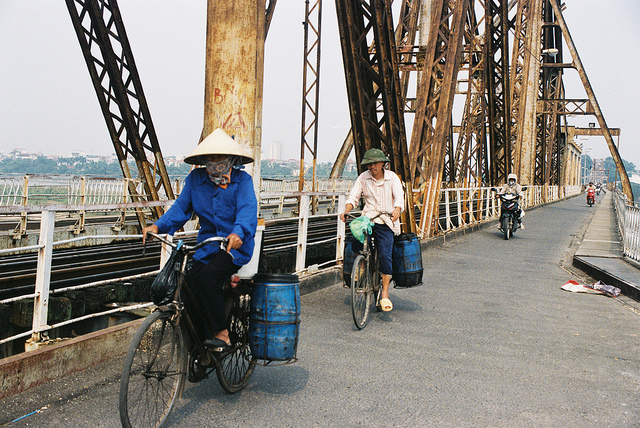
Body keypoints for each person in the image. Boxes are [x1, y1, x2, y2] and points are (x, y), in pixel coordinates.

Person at [142, 128, 257, 350]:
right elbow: (180, 208)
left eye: (220, 157)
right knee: (189, 282)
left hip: (233, 248)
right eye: (211, 157)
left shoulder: (242, 181)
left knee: (207, 278)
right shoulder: (195, 179)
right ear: (203, 159)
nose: (215, 162)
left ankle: (221, 333)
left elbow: (247, 210)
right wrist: (158, 226)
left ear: (231, 158)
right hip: (207, 246)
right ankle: (199, 340)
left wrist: (238, 232)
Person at [339, 148, 403, 312]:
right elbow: (353, 197)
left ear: (383, 163)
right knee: (355, 243)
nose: (372, 166)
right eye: (369, 164)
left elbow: (399, 199)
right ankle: (361, 266)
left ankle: (385, 294)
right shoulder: (363, 178)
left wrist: (397, 210)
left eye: (375, 163)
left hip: (386, 219)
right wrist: (346, 210)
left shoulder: (392, 178)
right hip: (368, 218)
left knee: (385, 254)